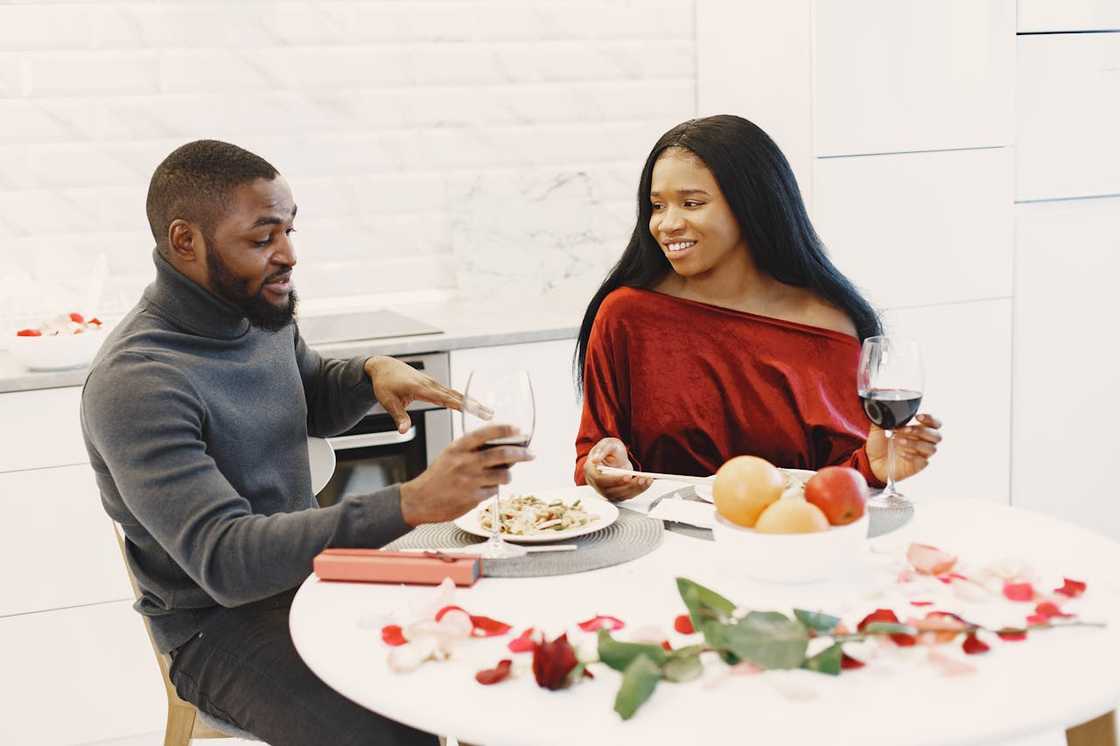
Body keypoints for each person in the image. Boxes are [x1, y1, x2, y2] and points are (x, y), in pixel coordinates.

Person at [81, 140, 532, 746]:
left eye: (289, 230)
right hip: (218, 630)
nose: (288, 255)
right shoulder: (137, 383)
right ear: (185, 241)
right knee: (391, 733)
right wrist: (412, 501)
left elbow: (309, 392)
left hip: (315, 582)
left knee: (497, 665)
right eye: (263, 237)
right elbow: (226, 561)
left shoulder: (254, 310)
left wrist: (371, 372)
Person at [574, 115, 942, 501]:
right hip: (662, 547)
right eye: (657, 206)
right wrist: (602, 467)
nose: (667, 224)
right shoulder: (627, 316)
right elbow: (595, 456)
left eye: (692, 203)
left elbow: (840, 485)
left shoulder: (830, 326)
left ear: (751, 203)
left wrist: (875, 468)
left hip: (793, 543)